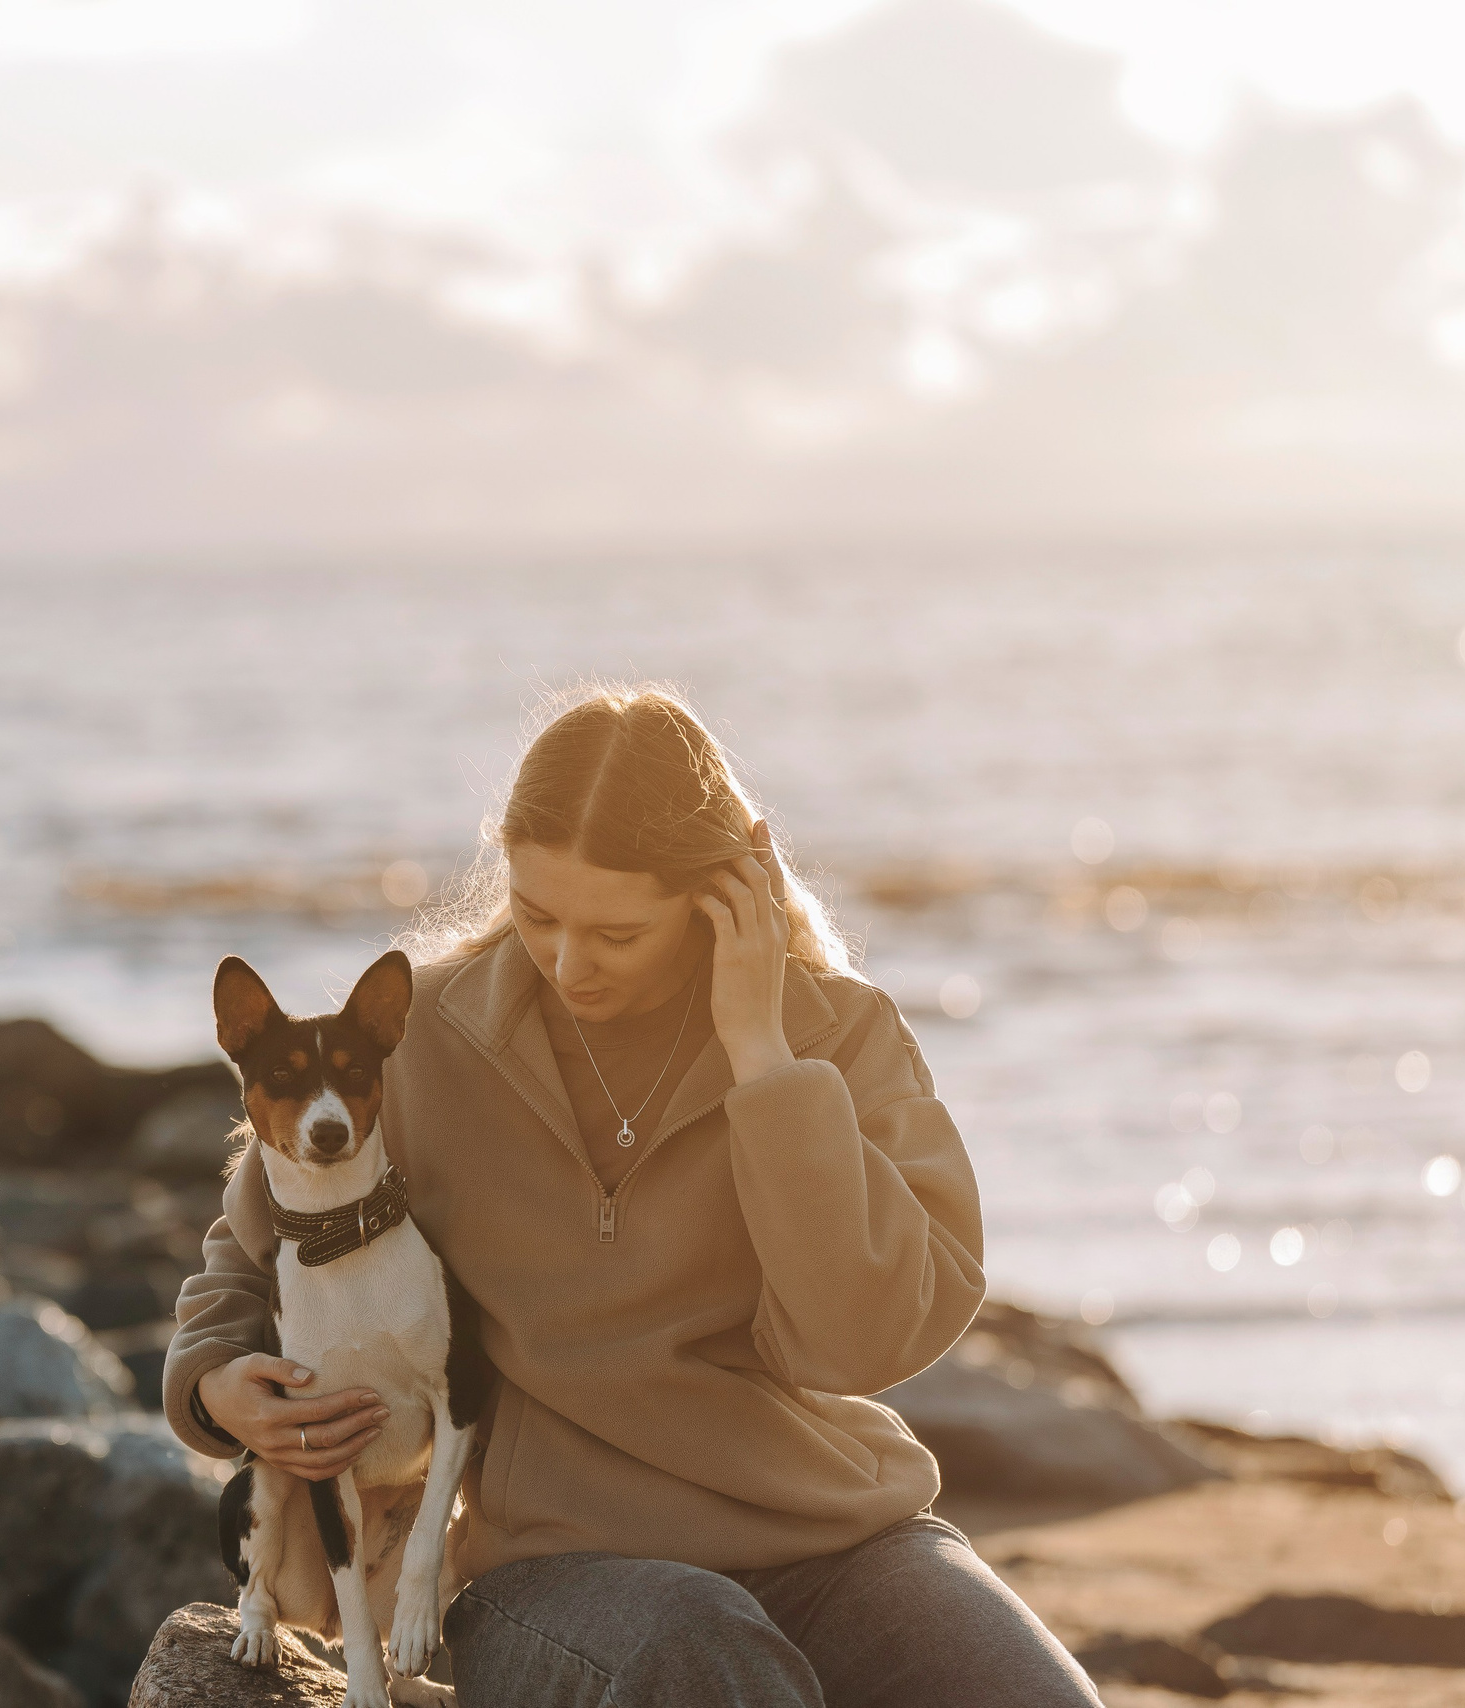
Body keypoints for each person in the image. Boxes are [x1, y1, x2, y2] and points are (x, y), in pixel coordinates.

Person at [163, 685, 1100, 1708]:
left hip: (836, 1538)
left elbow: (858, 1341)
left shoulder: (836, 1036)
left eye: (617, 932)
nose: (570, 964)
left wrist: (761, 1058)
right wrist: (215, 1385)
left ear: (727, 886)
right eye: (538, 915)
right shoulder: (429, 1035)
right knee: (701, 1664)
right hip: (558, 1569)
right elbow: (249, 1248)